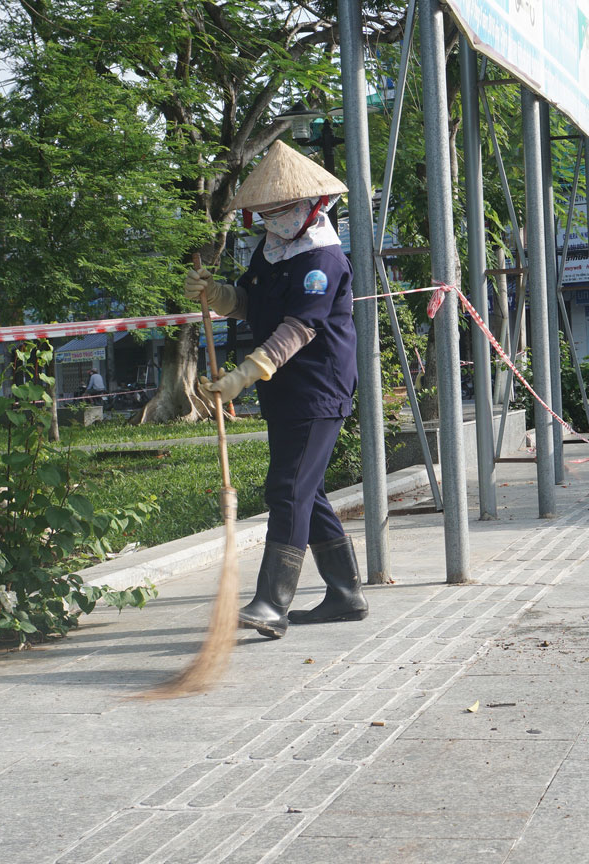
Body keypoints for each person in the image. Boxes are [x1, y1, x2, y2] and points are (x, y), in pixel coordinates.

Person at [183, 140, 364, 639]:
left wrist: (243, 374)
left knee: (287, 489)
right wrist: (217, 294)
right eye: (264, 212)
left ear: (309, 206)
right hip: (282, 390)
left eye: (279, 210)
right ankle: (346, 594)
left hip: (317, 389)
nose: (271, 219)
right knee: (306, 489)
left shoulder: (322, 259)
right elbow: (251, 301)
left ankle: (271, 602)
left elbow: (299, 327)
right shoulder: (273, 250)